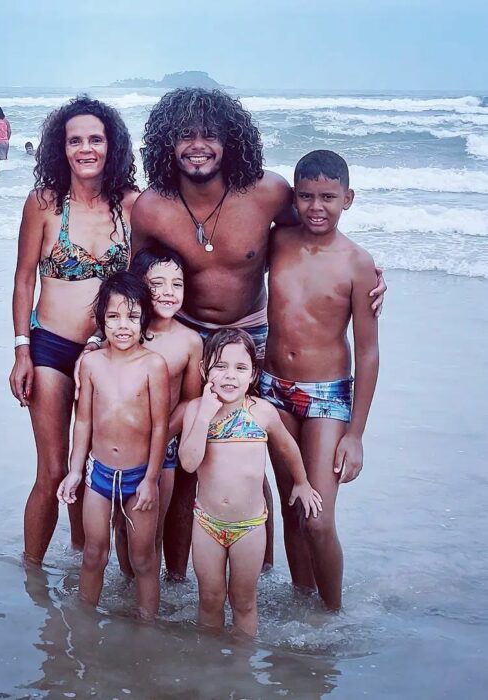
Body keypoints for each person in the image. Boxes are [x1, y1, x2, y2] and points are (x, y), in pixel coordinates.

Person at [131, 87, 387, 580]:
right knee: (186, 467)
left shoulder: (267, 192)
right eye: (186, 135)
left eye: (210, 134)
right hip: (188, 338)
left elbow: (320, 231)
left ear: (232, 141)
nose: (198, 145)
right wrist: (120, 337)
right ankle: (179, 582)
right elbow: (138, 277)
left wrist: (373, 274)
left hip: (254, 338)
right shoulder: (151, 208)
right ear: (168, 142)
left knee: (255, 459)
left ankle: (260, 574)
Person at [9, 96, 139, 564]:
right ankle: (32, 576)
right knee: (52, 470)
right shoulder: (44, 204)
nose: (86, 148)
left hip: (111, 355)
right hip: (49, 349)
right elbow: (25, 277)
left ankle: (89, 562)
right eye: (75, 140)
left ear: (112, 146)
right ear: (60, 148)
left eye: (96, 139)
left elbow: (153, 276)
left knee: (106, 467)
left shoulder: (132, 206)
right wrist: (22, 349)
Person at [262, 150, 379, 610]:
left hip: (327, 396)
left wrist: (356, 435)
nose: (316, 207)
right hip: (273, 387)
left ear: (347, 199)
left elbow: (368, 352)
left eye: (328, 197)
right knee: (293, 508)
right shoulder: (279, 241)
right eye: (307, 196)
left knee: (318, 519)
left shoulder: (358, 263)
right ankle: (301, 602)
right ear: (294, 198)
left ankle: (333, 615)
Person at [179, 329, 322, 636]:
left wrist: (301, 482)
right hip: (206, 524)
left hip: (250, 527)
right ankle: (210, 666)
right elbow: (189, 462)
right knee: (209, 599)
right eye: (220, 366)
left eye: (240, 368)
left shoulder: (262, 413)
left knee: (243, 602)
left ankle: (241, 671)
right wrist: (204, 414)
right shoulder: (195, 411)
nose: (230, 376)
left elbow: (286, 447)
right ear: (205, 370)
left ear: (253, 374)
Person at [57, 272, 169, 619]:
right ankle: (84, 624)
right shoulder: (91, 364)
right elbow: (85, 421)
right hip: (99, 476)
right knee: (94, 554)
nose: (123, 326)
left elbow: (160, 426)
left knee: (143, 559)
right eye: (114, 317)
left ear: (144, 320)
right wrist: (75, 472)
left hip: (139, 478)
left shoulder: (153, 365)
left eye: (133, 317)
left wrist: (151, 479)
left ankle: (147, 628)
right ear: (100, 320)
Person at [114, 245, 203, 578]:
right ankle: (126, 584)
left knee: (151, 527)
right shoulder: (126, 334)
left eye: (177, 284)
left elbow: (191, 401)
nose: (168, 292)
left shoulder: (189, 341)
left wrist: (160, 434)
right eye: (158, 283)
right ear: (139, 286)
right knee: (121, 526)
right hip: (121, 443)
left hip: (163, 448)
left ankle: (147, 596)